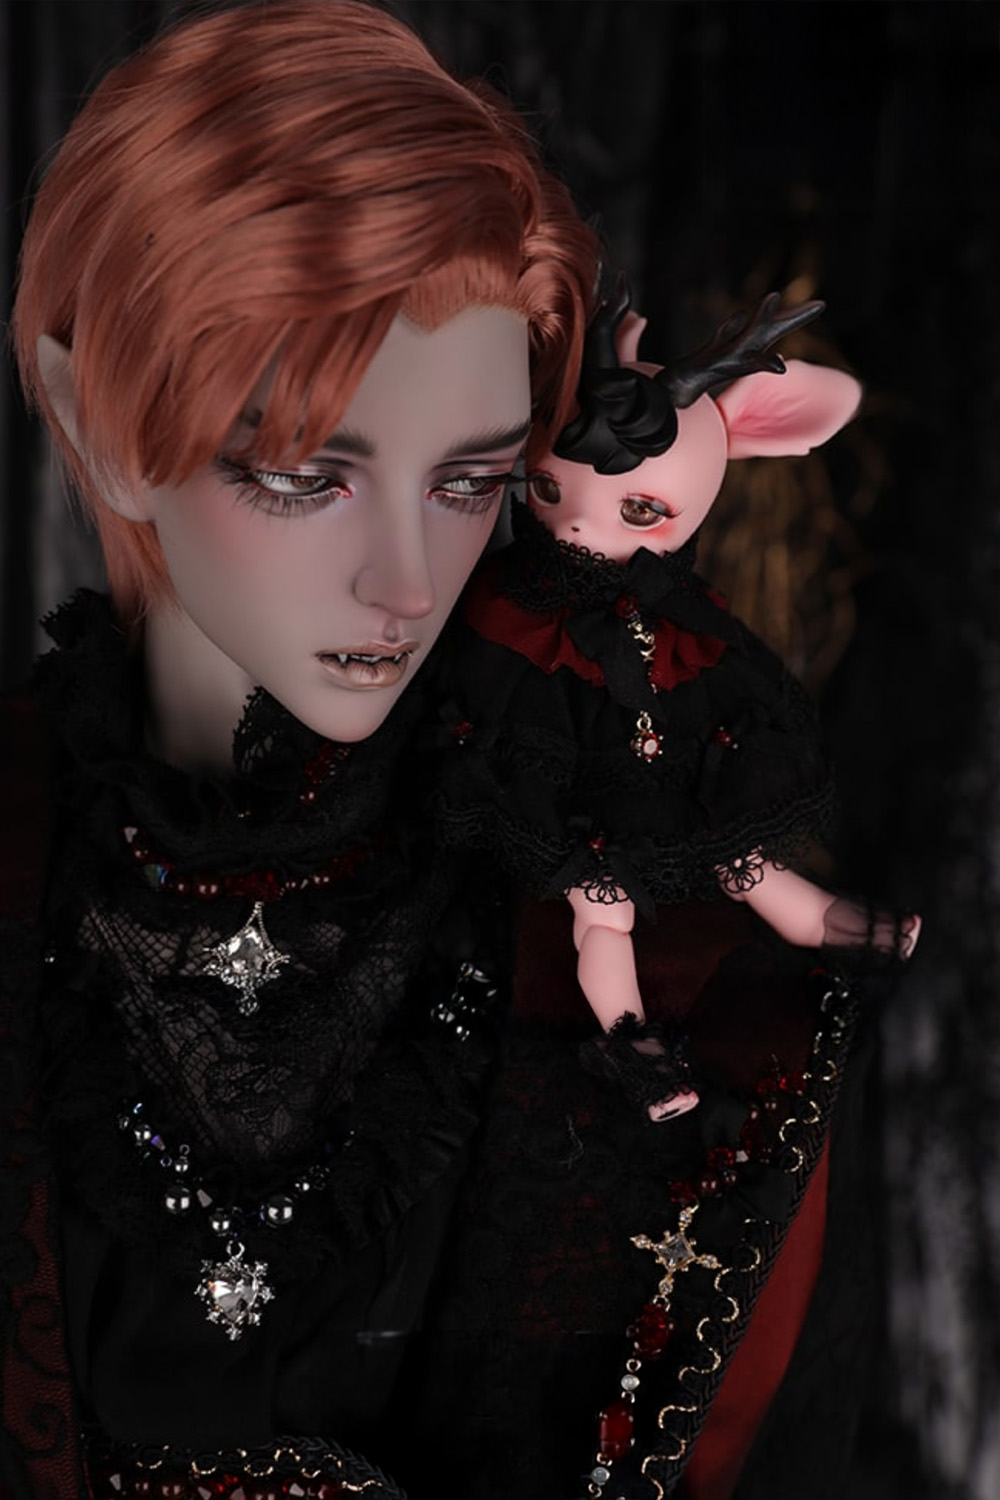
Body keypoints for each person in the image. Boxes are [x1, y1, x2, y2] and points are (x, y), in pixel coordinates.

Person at [0, 4, 890, 1498]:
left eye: (473, 479)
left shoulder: (691, 972)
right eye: (305, 474)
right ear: (99, 424)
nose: (408, 584)